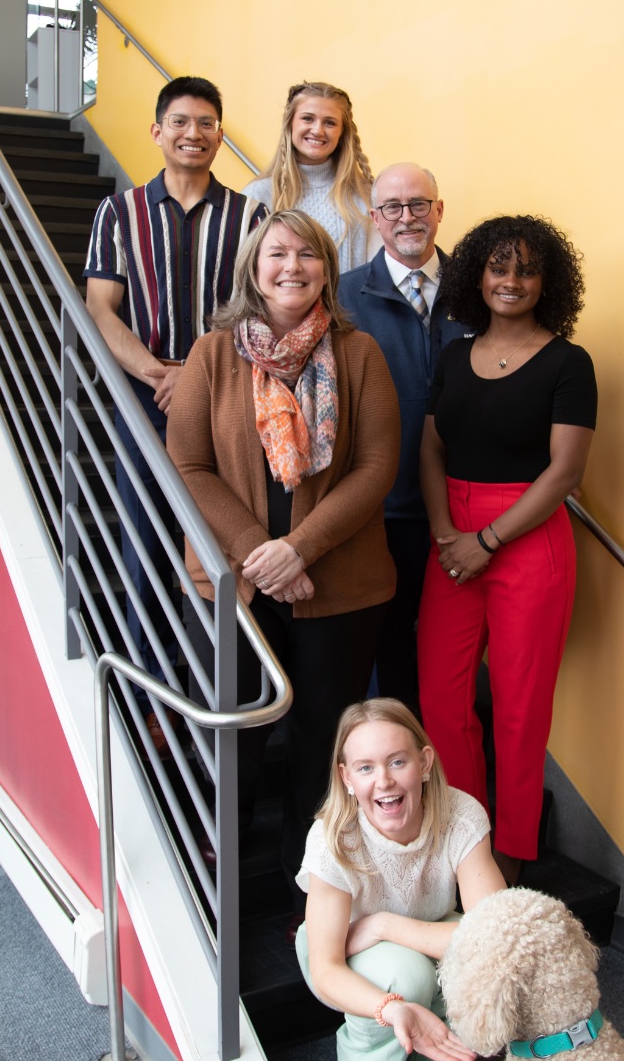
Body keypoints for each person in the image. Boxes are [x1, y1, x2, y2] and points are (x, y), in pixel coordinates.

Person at [166, 209, 400, 929]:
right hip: (235, 589)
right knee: (230, 735)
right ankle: (217, 895)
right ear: (252, 268)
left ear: (327, 268)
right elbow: (190, 465)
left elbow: (376, 467)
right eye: (276, 253)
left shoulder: (359, 354)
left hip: (340, 587)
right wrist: (260, 555)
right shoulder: (211, 354)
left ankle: (320, 901)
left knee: (321, 745)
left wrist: (300, 548)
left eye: (307, 253)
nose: (291, 265)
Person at [83, 76, 267, 750]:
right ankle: (143, 699)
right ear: (157, 131)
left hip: (224, 396)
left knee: (218, 548)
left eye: (208, 123)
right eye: (182, 122)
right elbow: (101, 307)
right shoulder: (120, 211)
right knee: (147, 539)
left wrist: (196, 372)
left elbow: (259, 307)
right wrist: (160, 372)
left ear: (221, 133)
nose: (195, 133)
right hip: (147, 395)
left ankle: (203, 699)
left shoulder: (249, 218)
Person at [417, 214, 597, 887]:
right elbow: (431, 447)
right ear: (476, 276)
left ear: (546, 282)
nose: (511, 280)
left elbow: (564, 473)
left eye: (525, 269)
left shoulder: (568, 363)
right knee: (440, 698)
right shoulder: (453, 356)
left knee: (522, 709)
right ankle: (469, 836)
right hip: (452, 537)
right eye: (498, 267)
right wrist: (446, 532)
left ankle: (515, 850)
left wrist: (487, 540)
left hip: (527, 536)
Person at [296, 697, 505, 1061]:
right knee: (408, 978)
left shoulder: (462, 816)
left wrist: (383, 925)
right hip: (344, 945)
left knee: (486, 968)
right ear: (346, 777)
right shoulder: (331, 839)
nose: (384, 781)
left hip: (416, 927)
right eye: (365, 768)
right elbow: (326, 968)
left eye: (397, 761)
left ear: (423, 763)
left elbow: (496, 936)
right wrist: (389, 1008)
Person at [339, 164, 475, 714]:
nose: (406, 218)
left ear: (439, 210)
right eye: (392, 207)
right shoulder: (343, 296)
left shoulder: (478, 292)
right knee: (386, 650)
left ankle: (443, 761)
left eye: (419, 204)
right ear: (374, 218)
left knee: (453, 653)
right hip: (380, 511)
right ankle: (392, 770)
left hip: (465, 510)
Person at [242, 82, 377, 273]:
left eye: (330, 122)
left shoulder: (365, 195)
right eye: (307, 118)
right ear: (290, 124)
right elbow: (245, 274)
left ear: (342, 133)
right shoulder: (259, 194)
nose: (318, 130)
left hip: (349, 304)